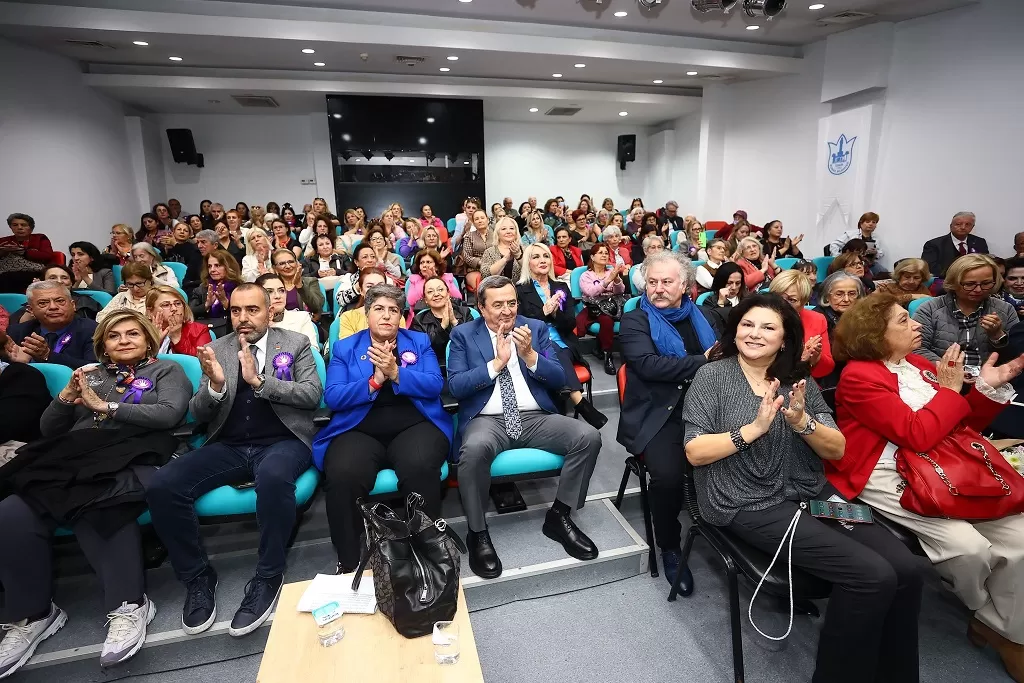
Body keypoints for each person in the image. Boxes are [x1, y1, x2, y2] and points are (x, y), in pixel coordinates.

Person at [683, 294, 924, 683]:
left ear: (785, 338)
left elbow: (838, 448)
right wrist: (754, 430)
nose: (754, 334)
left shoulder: (799, 379)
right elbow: (695, 452)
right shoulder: (712, 376)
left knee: (908, 569)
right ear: (735, 328)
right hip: (746, 501)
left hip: (813, 495)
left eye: (767, 327)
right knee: (870, 575)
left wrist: (801, 421)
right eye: (747, 324)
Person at [831, 294, 1024, 681]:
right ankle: (991, 619)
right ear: (875, 335)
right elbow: (916, 434)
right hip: (887, 472)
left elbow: (963, 426)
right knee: (968, 549)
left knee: (1020, 538)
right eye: (904, 321)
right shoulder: (858, 376)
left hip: (946, 465)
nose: (917, 325)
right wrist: (951, 393)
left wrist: (985, 389)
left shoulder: (917, 365)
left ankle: (1004, 627)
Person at [0, 310, 190, 676]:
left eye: (132, 333)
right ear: (102, 344)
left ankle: (129, 604)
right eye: (114, 336)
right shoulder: (89, 374)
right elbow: (48, 428)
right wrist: (66, 399)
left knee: (97, 500)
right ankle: (33, 613)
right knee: (10, 511)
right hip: (77, 456)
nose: (124, 340)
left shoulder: (166, 371)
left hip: (138, 452)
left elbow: (170, 414)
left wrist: (107, 407)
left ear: (148, 338)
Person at [146, 284, 322, 639]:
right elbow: (197, 413)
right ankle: (197, 578)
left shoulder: (294, 344)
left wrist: (260, 382)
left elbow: (311, 395)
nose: (243, 318)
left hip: (284, 441)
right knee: (163, 485)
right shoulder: (214, 349)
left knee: (273, 479)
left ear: (269, 311)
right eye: (236, 311)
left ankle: (269, 575)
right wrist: (214, 387)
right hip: (228, 444)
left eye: (252, 310)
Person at [447, 276, 602, 579]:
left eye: (512, 303)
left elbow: (559, 378)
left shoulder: (536, 328)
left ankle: (559, 515)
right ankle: (478, 532)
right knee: (474, 450)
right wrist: (496, 365)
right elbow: (455, 386)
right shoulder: (464, 335)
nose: (507, 311)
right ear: (480, 307)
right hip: (487, 420)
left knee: (588, 436)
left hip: (534, 416)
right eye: (497, 304)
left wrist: (530, 355)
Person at [313, 284, 452, 571]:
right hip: (358, 429)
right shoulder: (345, 348)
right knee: (342, 474)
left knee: (420, 465)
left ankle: (426, 551)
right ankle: (348, 560)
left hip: (415, 424)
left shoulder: (418, 341)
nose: (387, 316)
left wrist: (396, 373)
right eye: (379, 309)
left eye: (394, 310)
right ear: (367, 314)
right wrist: (375, 381)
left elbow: (434, 385)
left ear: (401, 316)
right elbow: (334, 396)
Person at [618, 252, 721, 588]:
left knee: (749, 452)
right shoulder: (635, 319)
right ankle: (670, 545)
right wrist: (702, 361)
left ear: (684, 285)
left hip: (710, 408)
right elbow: (648, 365)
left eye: (666, 282)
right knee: (667, 477)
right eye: (652, 282)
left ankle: (733, 532)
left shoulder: (706, 316)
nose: (658, 289)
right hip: (661, 413)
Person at [516, 244, 607, 429]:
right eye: (536, 257)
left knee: (558, 350)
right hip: (534, 344)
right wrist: (544, 312)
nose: (542, 260)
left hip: (564, 341)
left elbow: (571, 323)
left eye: (545, 256)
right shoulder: (520, 290)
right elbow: (521, 324)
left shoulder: (560, 286)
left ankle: (566, 395)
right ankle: (579, 402)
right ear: (528, 262)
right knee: (551, 348)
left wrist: (556, 314)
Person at [912, 254, 1017, 370]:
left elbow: (1016, 354)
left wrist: (997, 336)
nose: (978, 290)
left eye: (986, 283)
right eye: (969, 284)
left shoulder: (1005, 309)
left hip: (990, 378)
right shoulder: (930, 309)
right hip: (941, 376)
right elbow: (916, 348)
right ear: (954, 282)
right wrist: (948, 369)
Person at [6, 281, 98, 368]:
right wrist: (18, 363)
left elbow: (96, 368)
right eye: (43, 303)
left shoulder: (93, 330)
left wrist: (48, 356)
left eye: (60, 301)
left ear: (73, 305)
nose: (53, 307)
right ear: (31, 310)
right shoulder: (16, 332)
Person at [769, 270, 835, 380]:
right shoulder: (757, 316)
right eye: (778, 296)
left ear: (804, 303)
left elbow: (827, 368)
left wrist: (816, 359)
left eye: (791, 300)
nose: (782, 303)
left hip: (802, 380)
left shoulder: (817, 319)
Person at [578, 243, 629, 375]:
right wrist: (607, 281)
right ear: (592, 257)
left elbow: (620, 291)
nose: (604, 255)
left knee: (629, 316)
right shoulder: (586, 275)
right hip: (595, 308)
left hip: (613, 305)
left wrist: (617, 280)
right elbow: (590, 292)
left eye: (606, 253)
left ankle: (626, 353)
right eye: (600, 253)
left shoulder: (610, 272)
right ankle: (608, 355)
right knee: (606, 319)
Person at [255, 273, 320, 351]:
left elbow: (312, 351)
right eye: (269, 291)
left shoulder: (301, 318)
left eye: (281, 290)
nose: (278, 296)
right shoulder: (252, 323)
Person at [337, 269, 406, 339]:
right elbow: (347, 347)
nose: (375, 291)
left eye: (380, 286)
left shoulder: (396, 316)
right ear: (361, 290)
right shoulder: (348, 317)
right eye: (369, 286)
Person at [922, 211, 990, 279]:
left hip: (975, 281)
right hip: (945, 282)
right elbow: (930, 268)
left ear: (972, 227)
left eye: (968, 224)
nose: (963, 227)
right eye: (958, 224)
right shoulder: (934, 244)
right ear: (951, 226)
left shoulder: (980, 242)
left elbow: (986, 263)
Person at [147, 285, 212, 356]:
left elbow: (203, 363)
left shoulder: (199, 330)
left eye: (178, 303)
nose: (174, 308)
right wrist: (154, 343)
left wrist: (177, 338)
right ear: (150, 312)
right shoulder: (141, 332)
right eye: (166, 305)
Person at [0, 213, 54, 293]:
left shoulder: (40, 238)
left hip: (33, 272)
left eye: (23, 225)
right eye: (15, 225)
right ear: (11, 227)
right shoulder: (3, 241)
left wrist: (24, 252)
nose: (19, 227)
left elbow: (47, 256)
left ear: (31, 228)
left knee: (9, 278)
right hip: (6, 271)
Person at [189, 249, 241, 331]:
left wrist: (225, 303)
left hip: (231, 332)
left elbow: (243, 315)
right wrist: (206, 305)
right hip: (205, 331)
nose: (212, 270)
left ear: (229, 267)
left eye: (217, 265)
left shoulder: (240, 289)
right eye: (209, 266)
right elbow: (189, 313)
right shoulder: (201, 289)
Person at [271, 248, 324, 319]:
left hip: (305, 324)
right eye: (282, 263)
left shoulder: (310, 282)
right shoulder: (271, 285)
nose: (288, 266)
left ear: (297, 263)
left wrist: (300, 286)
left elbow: (317, 308)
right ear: (275, 268)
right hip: (279, 325)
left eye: (291, 262)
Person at [334, 244, 381, 312]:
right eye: (365, 257)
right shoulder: (349, 278)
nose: (370, 260)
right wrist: (360, 283)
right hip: (353, 316)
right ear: (356, 262)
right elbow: (340, 300)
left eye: (373, 257)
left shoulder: (384, 278)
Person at [701, 261, 746, 330]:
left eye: (738, 283)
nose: (734, 287)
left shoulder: (747, 299)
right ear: (721, 282)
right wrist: (721, 303)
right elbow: (714, 326)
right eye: (729, 283)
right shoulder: (710, 301)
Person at [481, 217, 524, 283]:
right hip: (496, 290)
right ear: (498, 233)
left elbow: (531, 272)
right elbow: (486, 275)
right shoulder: (489, 252)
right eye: (504, 229)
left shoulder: (525, 250)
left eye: (512, 228)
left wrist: (519, 256)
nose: (508, 231)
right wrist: (505, 259)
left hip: (520, 290)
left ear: (516, 231)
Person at [461, 209, 492, 294]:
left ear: (487, 219)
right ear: (474, 222)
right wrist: (481, 263)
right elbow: (467, 257)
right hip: (475, 269)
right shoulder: (469, 236)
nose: (480, 220)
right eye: (477, 219)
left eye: (482, 218)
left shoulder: (495, 234)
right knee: (483, 286)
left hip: (495, 267)